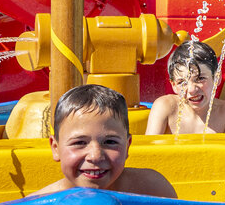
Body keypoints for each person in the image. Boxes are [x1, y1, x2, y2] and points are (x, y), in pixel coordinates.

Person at [32, 84, 176, 197]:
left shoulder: (152, 190)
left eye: (110, 142)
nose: (95, 156)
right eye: (80, 143)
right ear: (55, 148)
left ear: (127, 147)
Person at [145, 40, 225, 136]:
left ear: (217, 78)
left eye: (200, 78)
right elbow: (148, 150)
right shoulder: (165, 108)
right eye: (182, 82)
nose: (192, 90)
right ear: (173, 85)